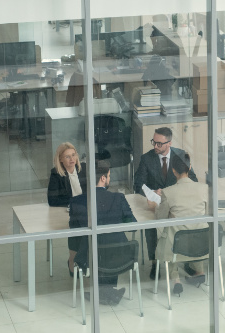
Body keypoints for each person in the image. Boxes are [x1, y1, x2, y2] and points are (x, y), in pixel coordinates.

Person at [133, 127, 198, 277]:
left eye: (159, 144)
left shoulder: (181, 155)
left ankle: (188, 260)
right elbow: (138, 184)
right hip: (155, 204)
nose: (155, 146)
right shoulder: (146, 158)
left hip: (177, 203)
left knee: (187, 222)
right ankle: (155, 263)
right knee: (151, 225)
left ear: (169, 143)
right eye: (154, 142)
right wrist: (151, 194)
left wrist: (172, 192)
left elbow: (192, 180)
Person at [68, 161, 136, 306]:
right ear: (103, 178)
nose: (109, 179)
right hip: (120, 258)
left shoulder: (76, 202)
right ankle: (107, 292)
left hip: (90, 259)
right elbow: (133, 226)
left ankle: (103, 292)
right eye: (109, 176)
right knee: (109, 245)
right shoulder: (118, 198)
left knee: (98, 246)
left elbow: (74, 234)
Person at [146, 159, 208, 297]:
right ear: (190, 167)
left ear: (173, 171)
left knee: (168, 234)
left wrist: (154, 206)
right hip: (201, 242)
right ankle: (200, 271)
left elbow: (161, 218)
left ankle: (176, 280)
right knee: (195, 229)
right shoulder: (204, 188)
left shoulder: (168, 192)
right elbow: (208, 214)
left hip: (177, 246)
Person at [47, 143, 89, 275]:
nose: (72, 159)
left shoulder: (85, 170)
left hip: (86, 208)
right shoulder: (56, 174)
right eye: (67, 156)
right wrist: (73, 201)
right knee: (76, 224)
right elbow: (52, 200)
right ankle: (73, 259)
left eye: (73, 155)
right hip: (70, 210)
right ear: (60, 159)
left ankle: (86, 258)